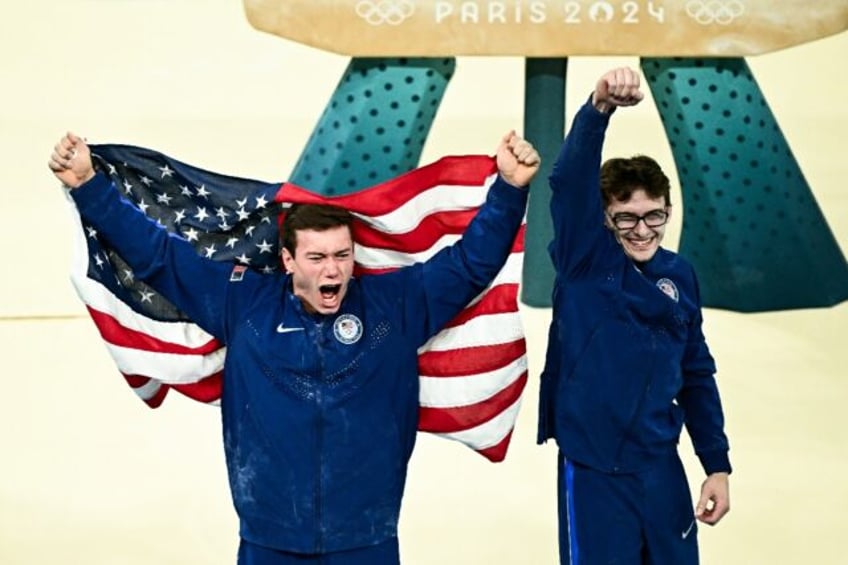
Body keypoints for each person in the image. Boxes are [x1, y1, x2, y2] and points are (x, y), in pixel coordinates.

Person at [48, 131, 540, 565]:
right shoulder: (243, 303)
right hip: (269, 540)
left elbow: (471, 265)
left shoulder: (395, 307)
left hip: (365, 539)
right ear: (287, 260)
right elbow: (159, 257)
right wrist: (90, 185)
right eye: (318, 257)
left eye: (343, 256)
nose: (333, 270)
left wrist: (511, 190)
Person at [537, 66, 732, 564]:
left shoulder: (679, 274)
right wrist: (599, 109)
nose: (642, 230)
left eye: (655, 215)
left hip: (660, 467)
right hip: (595, 472)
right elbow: (569, 181)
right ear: (604, 218)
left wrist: (716, 464)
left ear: (668, 210)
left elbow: (696, 373)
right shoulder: (585, 261)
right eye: (626, 217)